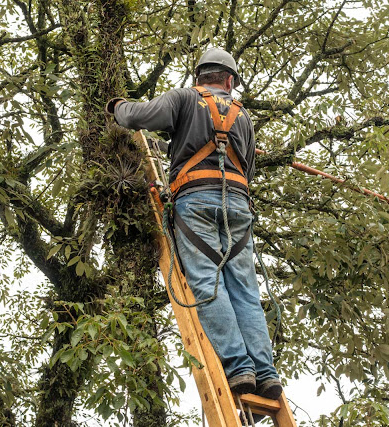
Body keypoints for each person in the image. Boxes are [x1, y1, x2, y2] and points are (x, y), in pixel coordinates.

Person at [105, 48, 282, 400]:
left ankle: (239, 367)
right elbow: (247, 169)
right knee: (245, 290)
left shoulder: (184, 99)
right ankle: (265, 371)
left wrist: (116, 106)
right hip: (238, 207)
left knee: (206, 282)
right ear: (230, 81)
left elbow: (136, 117)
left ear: (198, 76)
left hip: (196, 200)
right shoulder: (243, 117)